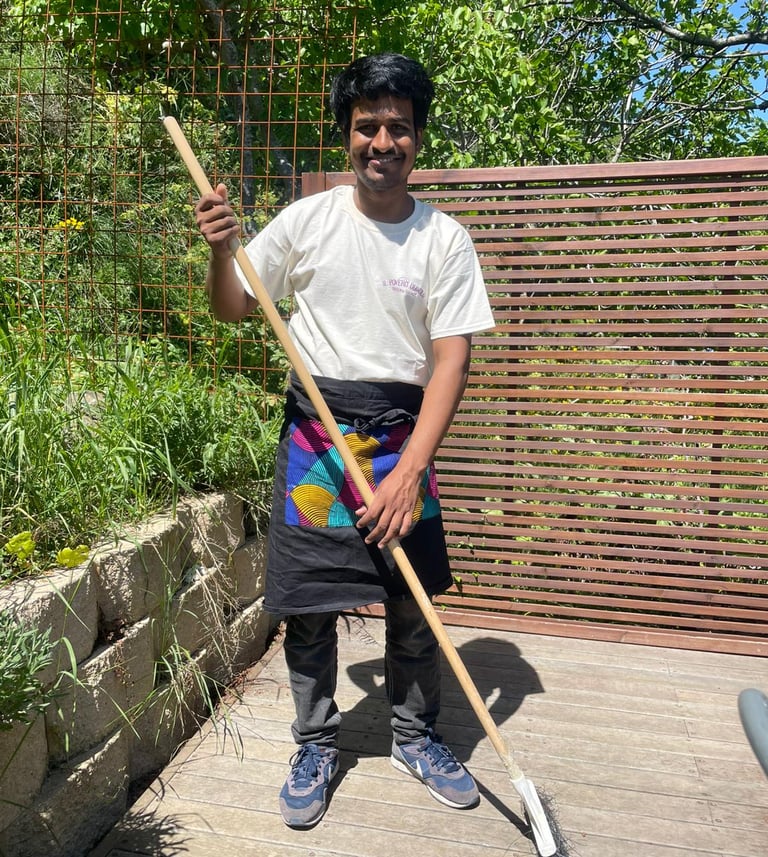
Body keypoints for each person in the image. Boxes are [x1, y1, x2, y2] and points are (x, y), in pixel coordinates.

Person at [194, 53, 495, 830]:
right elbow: (234, 307)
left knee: (413, 599)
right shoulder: (310, 221)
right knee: (309, 607)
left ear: (418, 139)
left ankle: (416, 736)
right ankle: (316, 742)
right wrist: (222, 250)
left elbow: (453, 356)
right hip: (317, 436)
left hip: (402, 439)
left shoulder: (444, 240)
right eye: (368, 126)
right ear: (347, 136)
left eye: (398, 126)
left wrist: (412, 471)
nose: (382, 141)